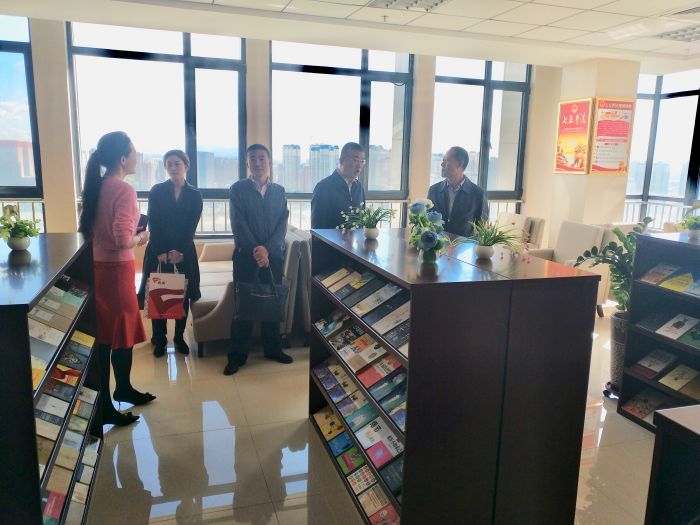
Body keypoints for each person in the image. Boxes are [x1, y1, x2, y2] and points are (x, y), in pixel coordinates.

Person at [78, 131, 155, 427]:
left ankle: (121, 390)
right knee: (115, 335)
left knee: (110, 335)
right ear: (123, 159)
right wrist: (142, 237)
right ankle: (107, 405)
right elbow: (122, 240)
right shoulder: (123, 190)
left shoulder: (97, 185)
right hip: (116, 272)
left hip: (98, 268)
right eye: (133, 152)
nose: (136, 157)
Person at [224, 144, 292, 376]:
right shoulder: (237, 189)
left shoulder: (279, 191)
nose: (258, 162)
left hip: (273, 257)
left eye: (262, 158)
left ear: (269, 161)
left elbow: (282, 224)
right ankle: (237, 355)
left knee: (272, 304)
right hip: (246, 256)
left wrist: (268, 249)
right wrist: (257, 249)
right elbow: (238, 223)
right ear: (247, 163)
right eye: (252, 158)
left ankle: (273, 349)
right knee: (242, 307)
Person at [138, 150, 203, 358]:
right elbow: (154, 222)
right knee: (158, 294)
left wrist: (180, 251)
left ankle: (178, 337)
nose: (173, 167)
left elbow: (191, 226)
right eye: (169, 164)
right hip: (158, 251)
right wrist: (161, 252)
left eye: (177, 163)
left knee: (182, 295)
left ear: (186, 166)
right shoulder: (157, 191)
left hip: (184, 252)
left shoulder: (195, 194)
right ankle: (159, 339)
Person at [427, 146, 489, 237]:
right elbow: (427, 221)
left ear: (459, 164)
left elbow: (482, 228)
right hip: (437, 244)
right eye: (442, 161)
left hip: (464, 245)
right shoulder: (434, 190)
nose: (442, 164)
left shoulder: (478, 194)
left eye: (446, 161)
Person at [311, 142, 366, 229]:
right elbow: (317, 229)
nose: (359, 165)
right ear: (342, 161)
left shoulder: (359, 187)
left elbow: (362, 223)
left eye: (362, 161)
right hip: (330, 239)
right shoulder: (323, 187)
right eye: (355, 160)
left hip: (356, 238)